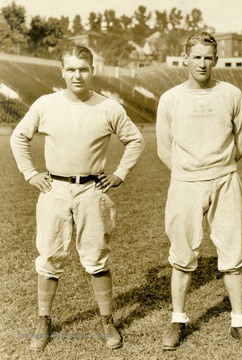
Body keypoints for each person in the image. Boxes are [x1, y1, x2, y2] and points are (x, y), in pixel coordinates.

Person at [10, 45, 145, 351]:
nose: (77, 75)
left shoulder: (108, 107)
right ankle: (43, 319)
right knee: (49, 256)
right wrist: (31, 173)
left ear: (92, 70)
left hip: (91, 191)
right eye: (70, 69)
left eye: (83, 69)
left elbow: (134, 141)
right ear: (62, 72)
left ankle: (107, 320)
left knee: (96, 256)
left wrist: (120, 173)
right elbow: (19, 137)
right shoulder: (46, 104)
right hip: (54, 189)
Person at [156, 32, 242, 352]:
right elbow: (164, 149)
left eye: (208, 58)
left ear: (216, 60)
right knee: (182, 257)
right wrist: (191, 174)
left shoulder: (230, 93)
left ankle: (239, 322)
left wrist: (219, 167)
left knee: (233, 255)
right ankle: (178, 319)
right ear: (185, 58)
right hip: (185, 184)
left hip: (225, 180)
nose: (202, 63)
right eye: (197, 57)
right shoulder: (170, 98)